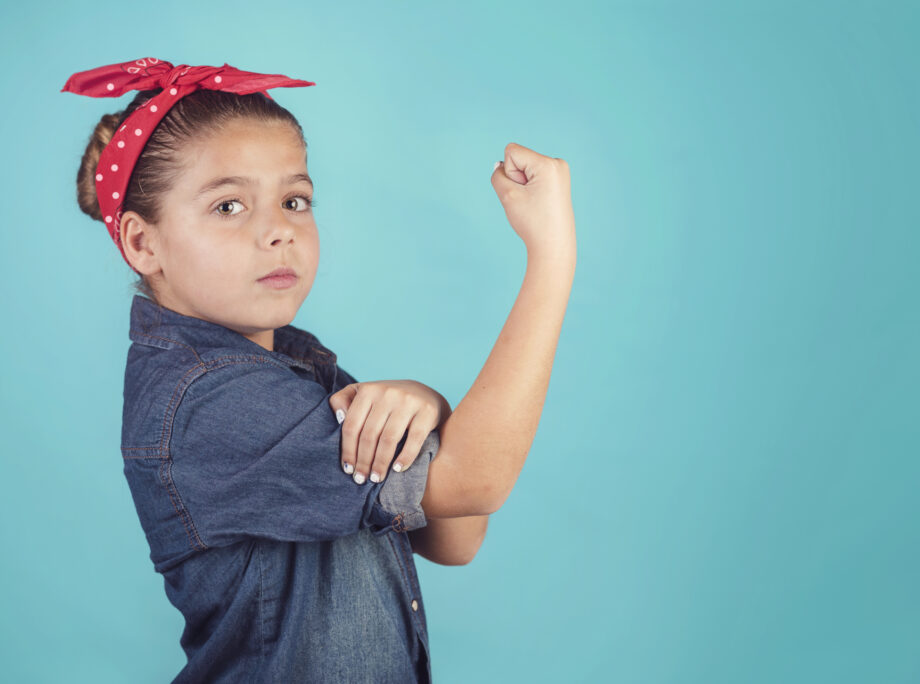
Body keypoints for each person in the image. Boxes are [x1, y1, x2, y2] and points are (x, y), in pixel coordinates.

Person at [64, 57, 576, 683]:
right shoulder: (212, 400)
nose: (278, 230)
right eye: (229, 206)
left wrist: (432, 406)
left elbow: (454, 538)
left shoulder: (287, 364)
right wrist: (551, 256)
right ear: (143, 244)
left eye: (294, 199)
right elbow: (474, 482)